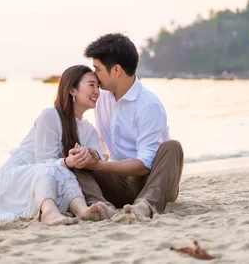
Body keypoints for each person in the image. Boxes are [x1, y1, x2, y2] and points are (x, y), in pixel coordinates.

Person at [71, 33, 184, 219]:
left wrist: (99, 165)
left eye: (97, 69)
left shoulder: (148, 105)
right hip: (119, 183)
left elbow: (144, 165)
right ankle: (102, 207)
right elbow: (103, 146)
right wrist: (91, 157)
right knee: (76, 160)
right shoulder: (102, 99)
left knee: (172, 147)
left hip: (153, 182)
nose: (94, 75)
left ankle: (145, 206)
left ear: (116, 71)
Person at [0, 65, 116, 225]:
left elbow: (98, 156)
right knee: (55, 168)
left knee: (65, 170)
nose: (97, 91)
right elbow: (43, 162)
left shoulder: (89, 129)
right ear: (72, 90)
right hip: (18, 180)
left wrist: (89, 155)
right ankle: (49, 212)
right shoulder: (50, 117)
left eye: (98, 86)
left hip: (50, 180)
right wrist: (68, 162)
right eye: (91, 85)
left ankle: (83, 211)